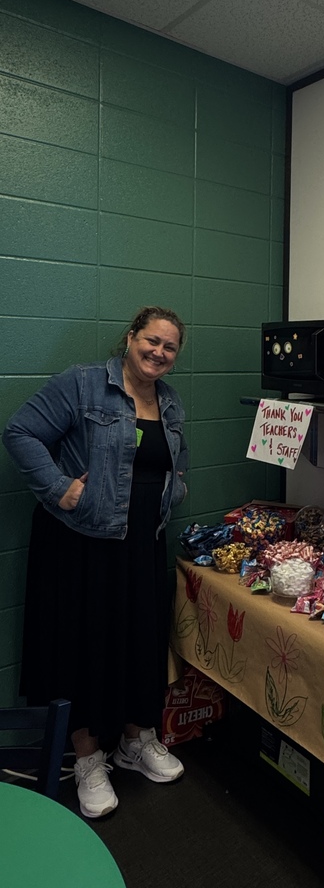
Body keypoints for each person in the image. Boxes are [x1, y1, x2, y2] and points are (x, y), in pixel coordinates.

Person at [2, 305, 189, 819]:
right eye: (151, 340)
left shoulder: (168, 401)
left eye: (169, 347)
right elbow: (20, 433)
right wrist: (60, 489)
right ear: (130, 338)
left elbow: (174, 459)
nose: (158, 352)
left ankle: (134, 737)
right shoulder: (83, 384)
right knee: (82, 644)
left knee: (139, 639)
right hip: (81, 543)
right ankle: (86, 758)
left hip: (143, 543)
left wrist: (177, 490)